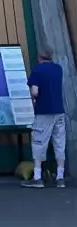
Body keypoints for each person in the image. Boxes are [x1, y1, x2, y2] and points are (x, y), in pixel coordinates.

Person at [23, 45, 67, 188]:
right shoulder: (58, 69)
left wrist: (32, 96)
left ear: (39, 57)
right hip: (59, 111)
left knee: (39, 142)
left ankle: (37, 178)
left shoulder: (37, 70)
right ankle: (60, 178)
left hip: (43, 111)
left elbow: (35, 92)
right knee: (59, 143)